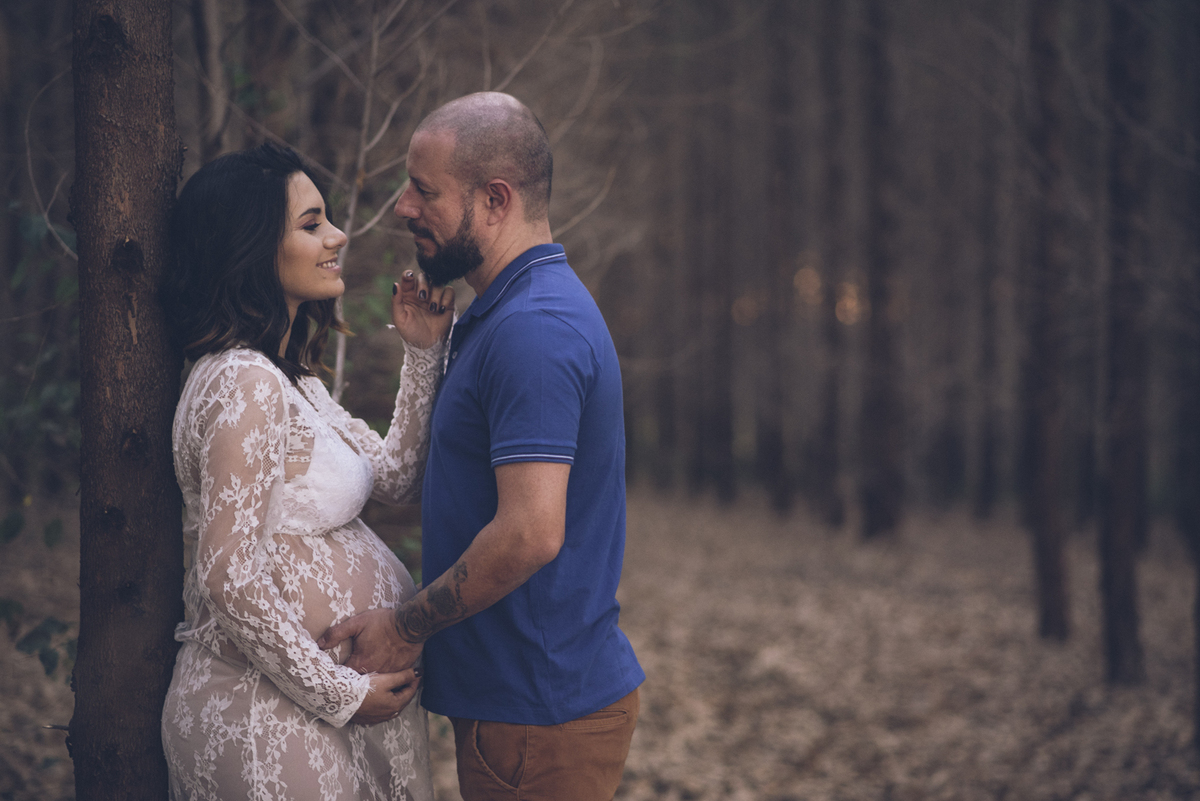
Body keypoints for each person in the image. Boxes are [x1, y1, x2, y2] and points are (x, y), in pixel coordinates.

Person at [320, 92, 644, 800]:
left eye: (424, 190)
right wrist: (428, 356)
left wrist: (406, 627)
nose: (402, 207)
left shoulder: (536, 329)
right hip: (520, 708)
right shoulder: (501, 313)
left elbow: (530, 531)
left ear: (496, 200)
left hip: (540, 714)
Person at [159, 141, 453, 801]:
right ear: (252, 246)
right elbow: (227, 574)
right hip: (262, 709)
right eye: (312, 222)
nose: (338, 235)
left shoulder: (294, 382)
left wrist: (423, 356)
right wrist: (340, 692)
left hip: (307, 709)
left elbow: (398, 478)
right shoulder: (241, 380)